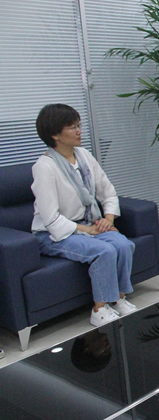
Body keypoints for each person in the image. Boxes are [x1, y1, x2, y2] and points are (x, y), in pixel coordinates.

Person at [31, 104, 137, 327]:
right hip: (53, 234)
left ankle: (118, 299)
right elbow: (50, 219)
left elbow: (107, 191)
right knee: (104, 251)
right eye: (73, 127)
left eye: (79, 125)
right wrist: (88, 230)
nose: (79, 131)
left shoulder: (85, 156)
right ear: (55, 135)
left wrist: (107, 221)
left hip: (89, 225)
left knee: (123, 244)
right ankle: (99, 310)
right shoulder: (44, 167)